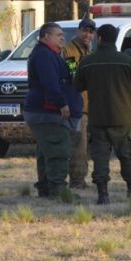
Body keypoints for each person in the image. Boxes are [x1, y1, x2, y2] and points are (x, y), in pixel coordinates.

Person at [74, 24, 131, 205]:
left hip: (98, 118)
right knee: (128, 155)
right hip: (123, 117)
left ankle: (103, 194)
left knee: (100, 157)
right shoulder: (126, 61)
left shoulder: (87, 62)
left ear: (100, 38)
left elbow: (77, 86)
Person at [24, 23, 83, 198]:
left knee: (46, 152)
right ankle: (58, 191)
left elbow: (63, 78)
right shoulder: (44, 56)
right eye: (58, 35)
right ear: (46, 37)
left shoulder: (51, 55)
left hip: (45, 111)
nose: (62, 38)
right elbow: (50, 83)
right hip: (48, 112)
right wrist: (62, 104)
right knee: (58, 150)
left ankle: (45, 188)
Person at [62, 17, 96, 190]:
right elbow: (73, 75)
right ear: (78, 31)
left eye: (90, 32)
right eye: (84, 30)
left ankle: (82, 177)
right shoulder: (68, 50)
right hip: (77, 106)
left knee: (87, 145)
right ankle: (76, 180)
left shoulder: (90, 51)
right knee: (78, 144)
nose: (87, 35)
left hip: (90, 105)